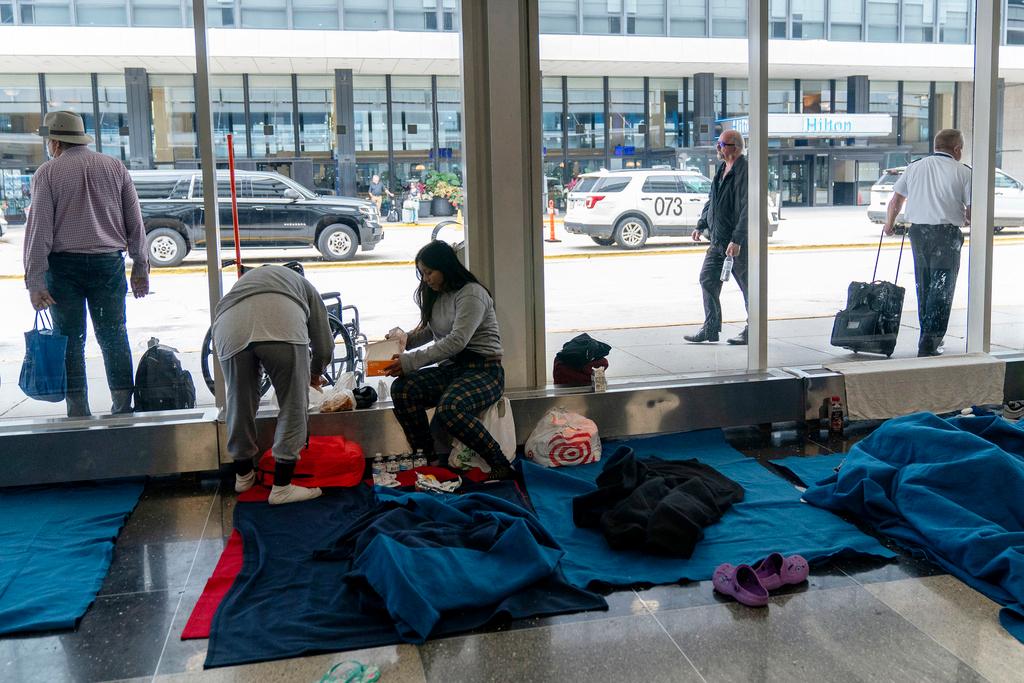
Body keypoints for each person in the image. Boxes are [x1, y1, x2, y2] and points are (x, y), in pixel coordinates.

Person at [22, 110, 150, 417]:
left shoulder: (48, 173)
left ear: (55, 142)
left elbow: (39, 231)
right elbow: (135, 222)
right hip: (108, 265)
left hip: (63, 269)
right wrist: (140, 265)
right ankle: (122, 406)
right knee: (114, 334)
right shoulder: (114, 167)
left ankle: (78, 409)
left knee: (69, 340)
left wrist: (35, 282)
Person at [382, 240, 510, 478]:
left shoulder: (472, 293)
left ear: (445, 267)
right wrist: (401, 341)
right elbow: (431, 332)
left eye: (429, 272)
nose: (426, 279)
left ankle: (500, 463)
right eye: (422, 274)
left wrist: (409, 361)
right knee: (403, 389)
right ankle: (427, 457)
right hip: (453, 370)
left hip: (485, 370)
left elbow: (455, 341)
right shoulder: (438, 296)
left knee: (450, 409)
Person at [212, 264, 335, 504]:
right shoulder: (305, 287)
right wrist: (314, 373)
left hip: (228, 327)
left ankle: (243, 475)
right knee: (293, 402)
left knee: (239, 400)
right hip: (282, 326)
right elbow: (324, 346)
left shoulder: (249, 281)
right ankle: (282, 487)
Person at [883, 129, 972, 357]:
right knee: (942, 289)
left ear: (936, 146)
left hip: (919, 233)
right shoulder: (963, 172)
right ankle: (930, 343)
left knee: (924, 285)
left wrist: (889, 225)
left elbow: (896, 200)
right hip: (946, 235)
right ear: (957, 150)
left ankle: (927, 336)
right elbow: (972, 210)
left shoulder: (915, 167)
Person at [685, 128, 749, 346]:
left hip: (736, 243)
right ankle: (711, 327)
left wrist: (738, 239)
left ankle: (753, 329)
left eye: (721, 144)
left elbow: (747, 208)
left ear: (735, 148)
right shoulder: (722, 168)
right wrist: (701, 224)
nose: (718, 148)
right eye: (718, 144)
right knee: (707, 279)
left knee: (748, 286)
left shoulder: (744, 170)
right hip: (718, 240)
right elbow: (712, 200)